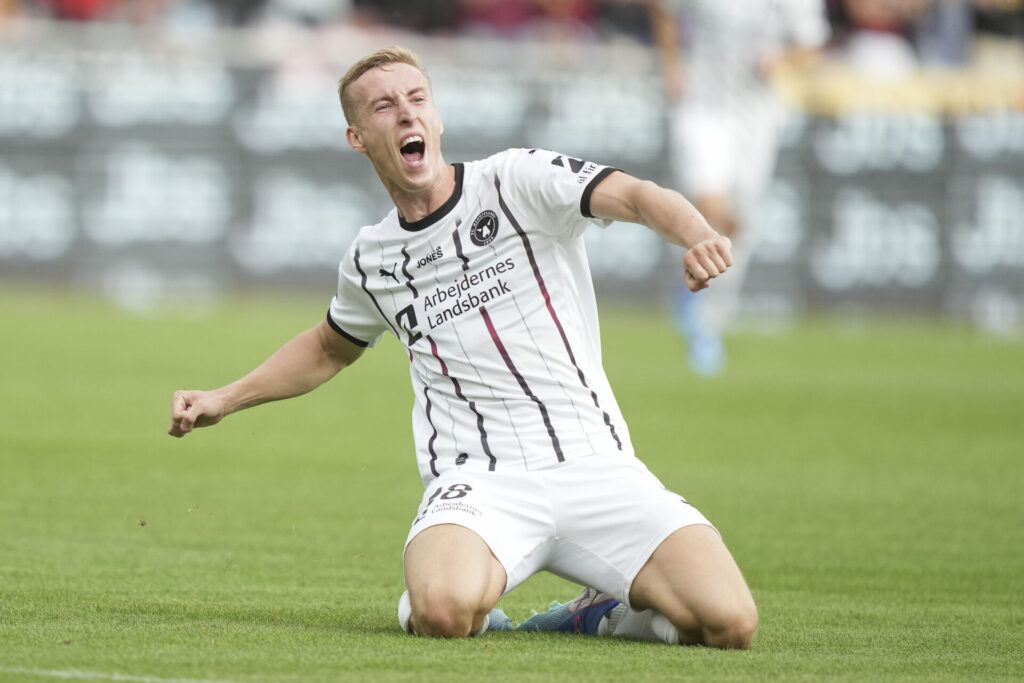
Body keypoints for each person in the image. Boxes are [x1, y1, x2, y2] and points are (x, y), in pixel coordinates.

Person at [167, 46, 757, 648]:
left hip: (596, 462)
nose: (406, 115)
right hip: (480, 482)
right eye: (384, 107)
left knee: (731, 625)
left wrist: (697, 235)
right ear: (358, 137)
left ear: (438, 118)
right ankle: (444, 591)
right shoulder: (372, 261)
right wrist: (224, 399)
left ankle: (598, 612)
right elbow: (327, 347)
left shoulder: (516, 180)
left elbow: (633, 195)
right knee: (444, 614)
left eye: (417, 100)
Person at [649, 0, 830, 374]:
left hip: (757, 117)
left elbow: (812, 45)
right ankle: (697, 304)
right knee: (709, 203)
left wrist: (781, 58)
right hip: (703, 107)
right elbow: (664, 9)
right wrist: (672, 64)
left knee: (738, 223)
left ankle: (707, 317)